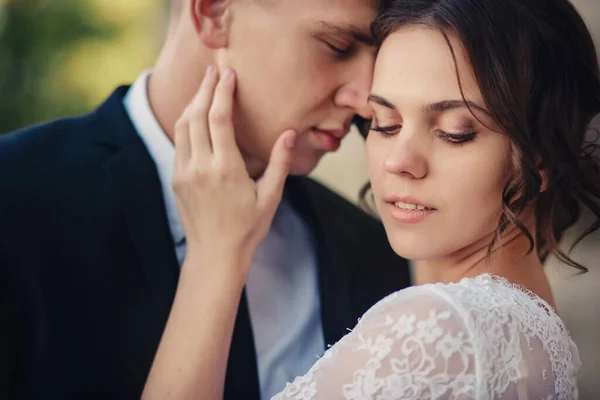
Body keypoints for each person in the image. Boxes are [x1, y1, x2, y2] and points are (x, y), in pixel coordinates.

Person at [142, 0, 600, 398]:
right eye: (384, 123)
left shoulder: (437, 329)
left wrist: (214, 258)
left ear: (541, 155)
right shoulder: (526, 332)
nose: (399, 161)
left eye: (455, 132)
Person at [0, 1, 411, 399]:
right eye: (338, 46)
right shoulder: (15, 197)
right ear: (213, 11)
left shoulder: (376, 251)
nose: (365, 100)